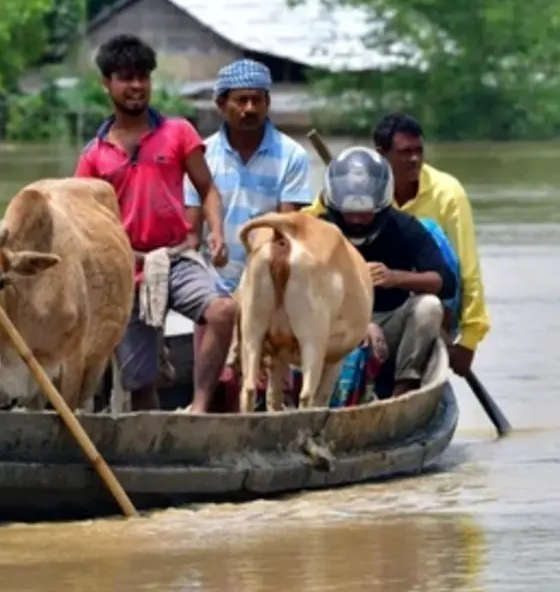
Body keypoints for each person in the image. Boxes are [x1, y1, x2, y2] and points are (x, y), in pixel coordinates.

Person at [74, 33, 234, 413]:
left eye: (142, 77)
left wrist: (217, 235)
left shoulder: (178, 132)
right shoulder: (94, 155)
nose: (136, 86)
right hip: (126, 266)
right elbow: (81, 221)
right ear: (107, 84)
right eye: (126, 77)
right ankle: (153, 435)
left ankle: (198, 407)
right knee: (141, 384)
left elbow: (208, 189)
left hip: (175, 256)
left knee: (223, 312)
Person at [182, 59, 315, 410]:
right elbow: (191, 232)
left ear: (268, 103)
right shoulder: (201, 155)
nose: (250, 108)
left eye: (257, 100)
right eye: (241, 100)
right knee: (216, 389)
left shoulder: (292, 155)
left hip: (272, 283)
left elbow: (287, 232)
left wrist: (255, 288)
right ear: (221, 105)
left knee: (272, 386)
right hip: (216, 287)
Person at [316, 147, 458, 398]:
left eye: (365, 214)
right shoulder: (321, 230)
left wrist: (395, 278)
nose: (358, 221)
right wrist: (362, 325)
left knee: (429, 306)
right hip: (335, 327)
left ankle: (404, 388)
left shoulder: (404, 226)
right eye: (351, 214)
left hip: (392, 323)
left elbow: (444, 282)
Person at [373, 112, 490, 377]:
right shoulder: (360, 186)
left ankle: (412, 374)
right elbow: (312, 222)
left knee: (428, 231)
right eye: (405, 152)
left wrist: (469, 340)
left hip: (435, 300)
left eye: (419, 151)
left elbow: (468, 267)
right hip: (377, 302)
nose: (414, 159)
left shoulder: (448, 192)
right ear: (381, 154)